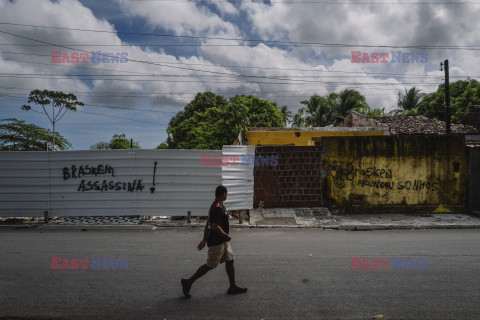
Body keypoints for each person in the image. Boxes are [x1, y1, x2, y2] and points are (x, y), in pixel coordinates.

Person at [181, 185, 247, 297]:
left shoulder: (218, 205)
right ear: (224, 194)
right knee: (210, 265)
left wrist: (204, 240)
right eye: (227, 194)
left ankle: (233, 286)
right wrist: (226, 236)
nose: (227, 195)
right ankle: (188, 282)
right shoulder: (217, 207)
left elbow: (208, 224)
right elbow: (215, 226)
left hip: (223, 241)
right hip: (217, 242)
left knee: (230, 260)